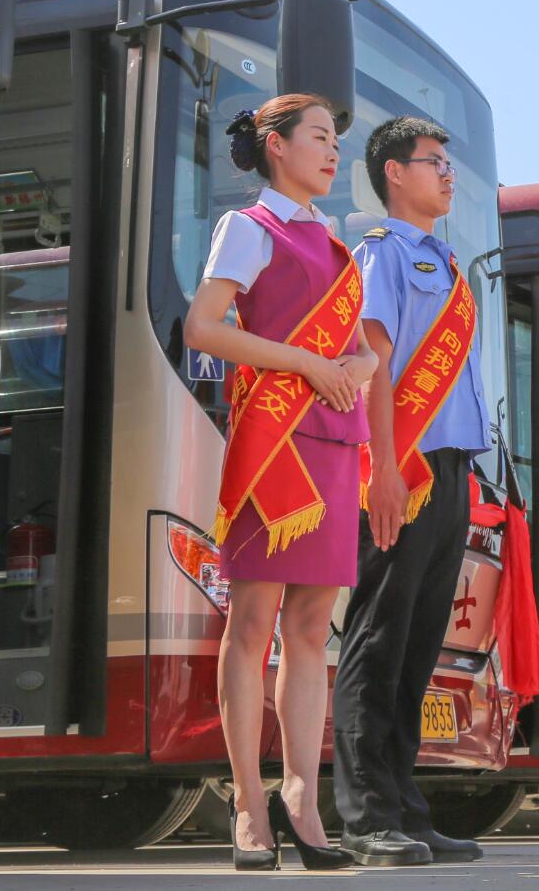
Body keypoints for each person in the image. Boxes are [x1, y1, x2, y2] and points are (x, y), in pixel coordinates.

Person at [185, 95, 376, 871]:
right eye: (319, 137)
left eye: (336, 141)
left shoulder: (335, 243)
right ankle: (246, 800)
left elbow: (360, 349)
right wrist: (304, 362)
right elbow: (202, 327)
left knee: (310, 630)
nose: (333, 153)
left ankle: (302, 796)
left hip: (333, 441)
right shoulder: (248, 228)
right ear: (276, 146)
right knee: (253, 623)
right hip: (274, 444)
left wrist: (361, 364)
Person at [332, 116, 491, 866]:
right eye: (434, 162)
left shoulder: (449, 264)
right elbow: (375, 364)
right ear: (395, 173)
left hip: (452, 468)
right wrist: (384, 469)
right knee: (378, 638)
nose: (448, 175)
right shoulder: (383, 254)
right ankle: (365, 816)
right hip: (406, 467)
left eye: (449, 164)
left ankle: (406, 808)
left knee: (420, 645)